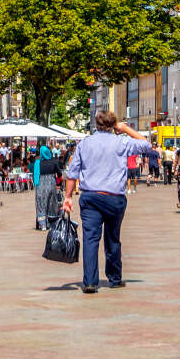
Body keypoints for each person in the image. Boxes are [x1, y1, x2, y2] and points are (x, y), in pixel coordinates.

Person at [61, 111, 152, 294]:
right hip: (114, 198)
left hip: (91, 197)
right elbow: (146, 144)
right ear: (113, 125)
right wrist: (125, 128)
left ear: (96, 124)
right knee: (112, 238)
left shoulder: (85, 143)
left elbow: (73, 172)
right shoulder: (121, 142)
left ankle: (90, 282)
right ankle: (115, 278)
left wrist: (68, 197)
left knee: (90, 239)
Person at [34, 143, 61, 229]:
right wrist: (58, 183)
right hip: (51, 185)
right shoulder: (54, 162)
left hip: (41, 186)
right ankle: (51, 223)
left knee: (41, 204)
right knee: (51, 204)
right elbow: (59, 174)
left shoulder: (38, 163)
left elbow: (35, 176)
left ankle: (43, 225)